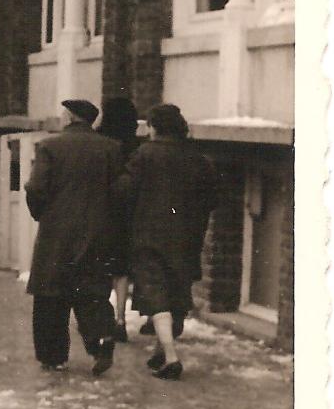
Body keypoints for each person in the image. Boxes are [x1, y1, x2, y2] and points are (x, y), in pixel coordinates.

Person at [113, 104, 218, 381]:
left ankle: (170, 356)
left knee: (156, 294)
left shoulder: (145, 154)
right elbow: (212, 198)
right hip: (187, 237)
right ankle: (160, 351)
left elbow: (124, 191)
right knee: (176, 292)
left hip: (149, 235)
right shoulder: (198, 158)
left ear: (154, 127)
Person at [24, 98, 123, 375]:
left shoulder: (50, 146)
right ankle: (101, 338)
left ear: (68, 117)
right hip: (97, 231)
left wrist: (42, 214)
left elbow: (36, 188)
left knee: (51, 294)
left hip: (56, 233)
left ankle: (53, 355)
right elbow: (119, 191)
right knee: (91, 290)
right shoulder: (111, 148)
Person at [96, 97, 143, 340]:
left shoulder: (100, 144)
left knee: (99, 268)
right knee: (121, 269)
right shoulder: (136, 147)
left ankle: (101, 317)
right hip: (127, 214)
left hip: (102, 212)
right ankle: (120, 318)